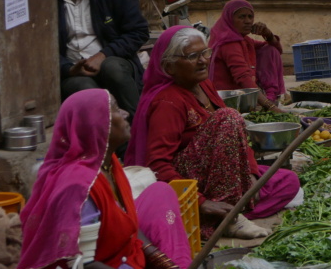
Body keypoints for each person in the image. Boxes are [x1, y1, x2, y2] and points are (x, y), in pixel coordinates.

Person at [0, 89, 191, 269]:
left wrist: (167, 266)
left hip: (126, 261)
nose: (125, 114)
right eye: (116, 109)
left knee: (161, 193)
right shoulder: (78, 186)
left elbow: (129, 225)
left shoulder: (109, 164)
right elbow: (83, 266)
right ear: (98, 124)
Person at [125, 26, 302, 239]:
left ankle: (228, 212)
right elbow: (157, 165)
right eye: (192, 56)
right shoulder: (168, 102)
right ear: (169, 66)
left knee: (287, 181)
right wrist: (200, 202)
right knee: (227, 118)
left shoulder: (204, 85)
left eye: (204, 53)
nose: (202, 61)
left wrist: (252, 173)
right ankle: (222, 216)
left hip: (219, 173)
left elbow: (239, 142)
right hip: (192, 181)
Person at [55, 0, 149, 117]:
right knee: (84, 88)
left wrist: (103, 55)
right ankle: (99, 140)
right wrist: (67, 67)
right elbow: (41, 48)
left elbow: (138, 32)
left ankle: (137, 128)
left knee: (112, 69)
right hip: (73, 70)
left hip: (112, 61)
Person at [209, 0, 285, 107]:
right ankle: (267, 100)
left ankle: (270, 95)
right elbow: (243, 77)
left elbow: (276, 50)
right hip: (229, 100)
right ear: (230, 19)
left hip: (243, 94)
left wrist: (268, 34)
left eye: (250, 17)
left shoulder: (245, 40)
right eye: (242, 17)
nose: (248, 21)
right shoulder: (229, 44)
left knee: (270, 50)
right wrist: (269, 106)